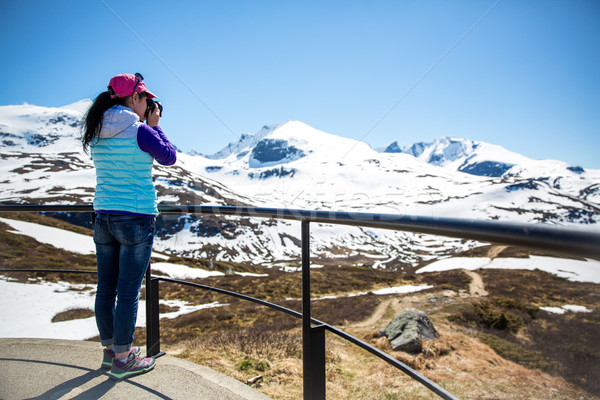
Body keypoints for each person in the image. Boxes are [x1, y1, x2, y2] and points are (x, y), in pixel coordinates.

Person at [82, 72, 176, 380]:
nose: (149, 104)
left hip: (103, 217)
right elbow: (169, 157)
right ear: (133, 99)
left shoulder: (96, 129)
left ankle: (111, 353)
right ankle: (124, 359)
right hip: (135, 217)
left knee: (106, 287)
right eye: (146, 99)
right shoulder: (140, 130)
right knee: (127, 290)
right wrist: (155, 126)